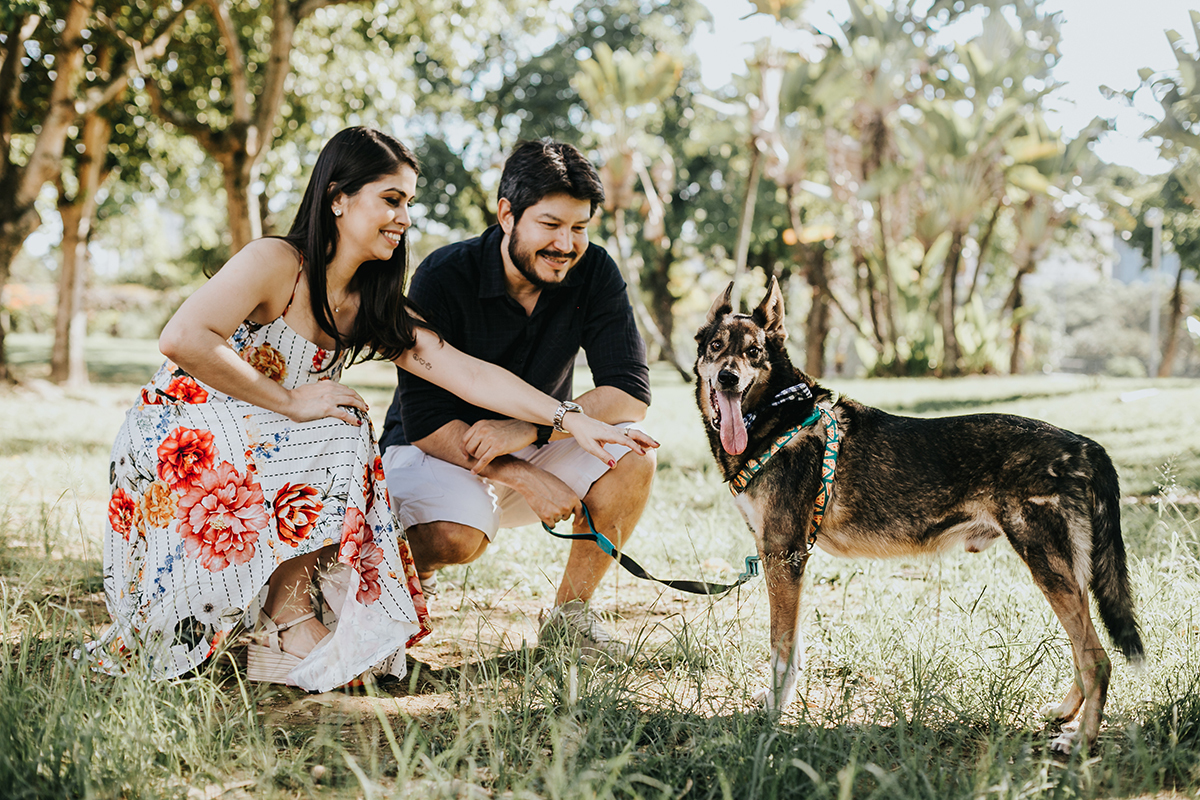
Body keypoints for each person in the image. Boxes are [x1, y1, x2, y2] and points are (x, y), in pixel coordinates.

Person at [90, 127, 657, 692]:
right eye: (390, 199)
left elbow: (464, 372)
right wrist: (288, 401)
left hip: (266, 443)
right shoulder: (276, 261)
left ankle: (291, 619)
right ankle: (287, 623)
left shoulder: (368, 299)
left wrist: (565, 418)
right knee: (340, 427)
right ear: (337, 197)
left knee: (341, 423)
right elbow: (183, 337)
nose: (403, 217)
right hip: (181, 435)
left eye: (407, 202)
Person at [379, 140, 656, 659]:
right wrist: (524, 475)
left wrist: (530, 431)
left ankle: (570, 619)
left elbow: (629, 391)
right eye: (550, 225)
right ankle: (396, 577)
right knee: (456, 536)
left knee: (634, 455)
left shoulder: (594, 270)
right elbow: (426, 422)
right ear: (507, 214)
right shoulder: (444, 274)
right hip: (436, 449)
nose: (566, 244)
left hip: (536, 437)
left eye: (579, 228)